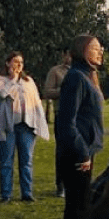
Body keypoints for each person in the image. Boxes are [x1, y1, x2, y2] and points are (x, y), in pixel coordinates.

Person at [55, 35, 105, 219]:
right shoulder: (75, 78)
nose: (100, 52)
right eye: (94, 48)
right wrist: (82, 152)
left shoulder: (87, 76)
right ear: (81, 51)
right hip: (76, 152)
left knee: (82, 204)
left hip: (85, 150)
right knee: (77, 206)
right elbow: (66, 123)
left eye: (100, 48)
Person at [0, 52, 51, 202]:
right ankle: (6, 194)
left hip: (26, 126)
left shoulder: (28, 81)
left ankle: (27, 193)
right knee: (6, 161)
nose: (19, 65)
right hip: (6, 126)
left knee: (26, 161)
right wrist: (12, 79)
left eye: (21, 62)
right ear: (7, 63)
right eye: (15, 62)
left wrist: (39, 123)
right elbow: (3, 94)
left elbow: (36, 101)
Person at [42, 48, 70, 195]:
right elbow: (47, 92)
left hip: (81, 116)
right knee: (63, 151)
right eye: (68, 54)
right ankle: (61, 185)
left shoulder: (86, 70)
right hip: (63, 115)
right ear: (64, 55)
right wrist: (65, 90)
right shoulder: (56, 71)